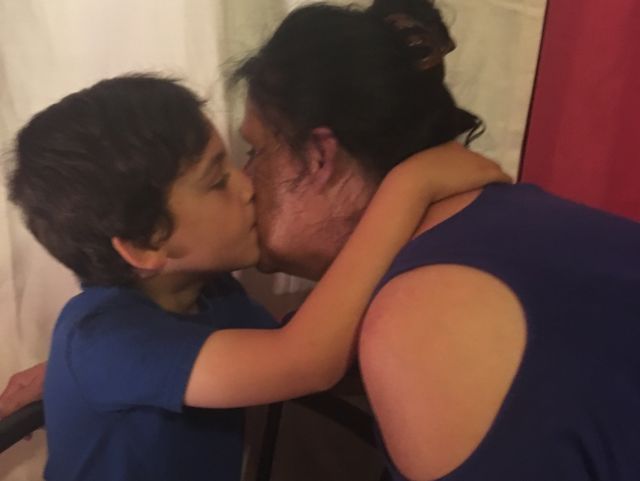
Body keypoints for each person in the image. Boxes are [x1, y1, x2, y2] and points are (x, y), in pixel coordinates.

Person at [2, 74, 505, 480]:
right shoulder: (105, 339)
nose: (247, 187)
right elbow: (306, 361)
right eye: (217, 180)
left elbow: (306, 356)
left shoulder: (214, 295)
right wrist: (408, 188)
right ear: (146, 244)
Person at [229, 1, 640, 480]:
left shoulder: (418, 317)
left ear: (320, 156)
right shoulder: (508, 221)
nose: (243, 182)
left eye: (256, 151)